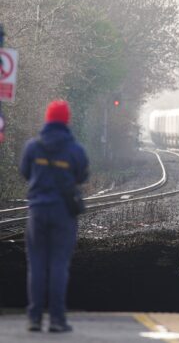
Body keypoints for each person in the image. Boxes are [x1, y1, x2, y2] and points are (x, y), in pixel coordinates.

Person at [20, 100, 89, 333]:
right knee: (59, 264)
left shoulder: (33, 146)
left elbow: (25, 172)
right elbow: (81, 176)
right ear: (67, 121)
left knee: (37, 264)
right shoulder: (75, 150)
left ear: (48, 119)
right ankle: (58, 320)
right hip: (63, 213)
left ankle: (35, 319)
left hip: (37, 211)